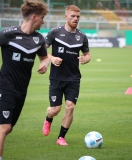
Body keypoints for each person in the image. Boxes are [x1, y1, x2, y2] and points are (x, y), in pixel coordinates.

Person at [0, 0, 49, 159]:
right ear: (33, 17)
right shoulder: (8, 33)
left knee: (7, 128)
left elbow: (44, 57)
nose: (43, 21)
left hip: (22, 89)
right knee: (4, 127)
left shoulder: (39, 39)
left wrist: (44, 64)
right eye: (42, 17)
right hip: (5, 86)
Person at [42, 5, 91, 146]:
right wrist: (51, 58)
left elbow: (88, 55)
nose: (75, 19)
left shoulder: (82, 36)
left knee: (70, 106)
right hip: (57, 78)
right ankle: (48, 118)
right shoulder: (55, 32)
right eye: (73, 16)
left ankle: (61, 137)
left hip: (73, 78)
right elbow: (42, 50)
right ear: (66, 16)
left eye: (78, 17)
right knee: (55, 110)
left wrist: (85, 59)